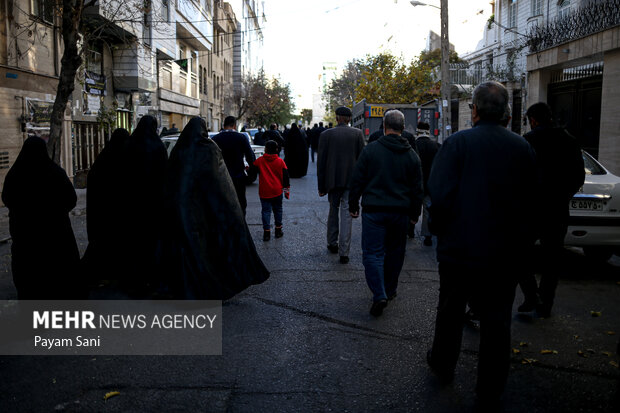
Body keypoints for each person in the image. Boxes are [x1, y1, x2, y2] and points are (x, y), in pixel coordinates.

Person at [426, 81, 538, 407]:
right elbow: (532, 202)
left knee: (450, 311)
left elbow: (439, 195)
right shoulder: (522, 148)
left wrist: (442, 232)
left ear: (474, 110)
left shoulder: (458, 144)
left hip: (459, 252)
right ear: (507, 113)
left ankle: (444, 365)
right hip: (503, 255)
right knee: (497, 321)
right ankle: (489, 388)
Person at [160, 117, 269, 299]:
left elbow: (172, 179)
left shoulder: (181, 150)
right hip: (213, 202)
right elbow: (218, 179)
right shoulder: (209, 147)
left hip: (186, 208)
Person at [349, 110, 423, 316]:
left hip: (374, 211)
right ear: (403, 128)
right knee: (395, 253)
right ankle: (389, 290)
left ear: (384, 126)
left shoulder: (371, 150)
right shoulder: (411, 156)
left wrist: (353, 204)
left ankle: (379, 293)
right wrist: (415, 214)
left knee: (372, 254)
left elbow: (357, 179)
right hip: (400, 213)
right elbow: (417, 188)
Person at [517, 102, 585, 317]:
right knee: (552, 259)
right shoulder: (570, 141)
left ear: (533, 120)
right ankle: (546, 303)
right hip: (557, 210)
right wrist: (563, 196)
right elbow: (578, 176)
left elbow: (519, 175)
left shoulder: (528, 141)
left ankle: (530, 294)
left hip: (531, 210)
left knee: (520, 253)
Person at [2, 136, 84, 299]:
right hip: (54, 237)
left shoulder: (15, 174)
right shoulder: (55, 172)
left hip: (26, 239)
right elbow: (71, 199)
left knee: (30, 283)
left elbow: (7, 198)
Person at [117, 115, 167, 294]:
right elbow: (163, 173)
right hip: (153, 202)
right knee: (151, 241)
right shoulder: (158, 146)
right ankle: (151, 279)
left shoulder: (129, 144)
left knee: (133, 241)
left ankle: (132, 279)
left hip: (132, 202)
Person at [82, 128, 130, 286]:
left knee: (102, 243)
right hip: (116, 212)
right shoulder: (124, 159)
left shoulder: (102, 160)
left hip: (101, 213)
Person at [317, 106, 365, 264]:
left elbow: (321, 162)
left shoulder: (326, 135)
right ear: (349, 119)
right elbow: (361, 161)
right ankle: (344, 252)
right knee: (346, 215)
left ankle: (332, 243)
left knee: (333, 210)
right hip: (350, 182)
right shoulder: (357, 134)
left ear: (337, 118)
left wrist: (321, 186)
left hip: (332, 181)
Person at [212, 115, 256, 216]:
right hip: (238, 176)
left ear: (224, 125)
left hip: (222, 176)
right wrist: (251, 172)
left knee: (223, 203)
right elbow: (250, 156)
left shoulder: (216, 139)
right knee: (240, 202)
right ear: (234, 126)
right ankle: (240, 225)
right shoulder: (241, 137)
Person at [253, 140, 290, 241]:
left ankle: (266, 233)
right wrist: (286, 191)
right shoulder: (280, 161)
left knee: (266, 211)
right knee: (278, 210)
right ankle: (278, 231)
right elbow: (286, 177)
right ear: (276, 149)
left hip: (264, 191)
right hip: (277, 191)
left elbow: (253, 169)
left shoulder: (260, 160)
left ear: (265, 149)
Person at [414, 122, 439, 247]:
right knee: (427, 210)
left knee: (413, 207)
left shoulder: (413, 145)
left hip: (414, 184)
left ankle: (410, 229)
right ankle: (427, 236)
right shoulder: (435, 146)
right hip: (430, 184)